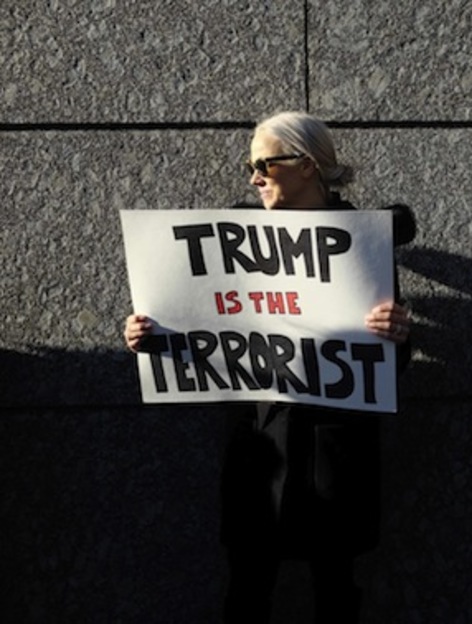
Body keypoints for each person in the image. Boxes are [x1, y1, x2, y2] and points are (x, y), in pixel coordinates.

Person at [124, 111, 413, 623]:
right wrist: (149, 337)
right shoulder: (231, 237)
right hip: (259, 441)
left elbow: (385, 364)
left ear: (305, 165)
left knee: (335, 587)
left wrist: (397, 336)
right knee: (248, 585)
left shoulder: (362, 242)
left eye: (264, 163)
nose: (254, 176)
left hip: (335, 445)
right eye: (249, 165)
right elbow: (197, 325)